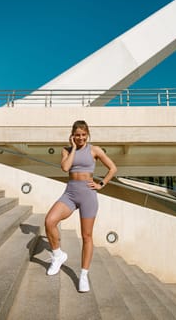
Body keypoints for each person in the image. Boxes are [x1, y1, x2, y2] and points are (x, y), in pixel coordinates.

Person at [45, 120, 117, 292]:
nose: (80, 138)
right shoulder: (67, 150)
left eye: (83, 135)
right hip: (70, 194)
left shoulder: (95, 150)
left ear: (88, 134)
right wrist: (74, 149)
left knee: (87, 236)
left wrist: (101, 183)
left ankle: (83, 275)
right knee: (49, 221)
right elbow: (65, 168)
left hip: (88, 196)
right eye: (77, 135)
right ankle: (58, 256)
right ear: (72, 135)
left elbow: (113, 168)